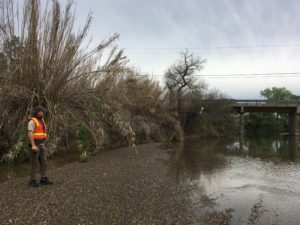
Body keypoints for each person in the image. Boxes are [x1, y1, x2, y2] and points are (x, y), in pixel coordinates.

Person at [28, 106, 53, 187]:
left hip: (42, 145)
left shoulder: (42, 120)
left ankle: (43, 178)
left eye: (42, 112)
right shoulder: (32, 121)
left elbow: (42, 132)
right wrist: (33, 145)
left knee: (44, 162)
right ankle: (32, 180)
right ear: (37, 112)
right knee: (34, 164)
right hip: (35, 146)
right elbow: (30, 133)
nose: (42, 113)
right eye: (40, 111)